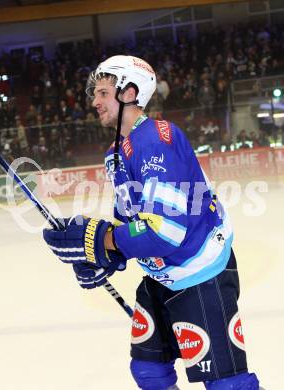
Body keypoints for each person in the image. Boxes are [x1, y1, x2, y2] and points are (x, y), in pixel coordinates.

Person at [43, 56, 263, 390]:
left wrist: (100, 239)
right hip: (163, 275)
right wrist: (103, 255)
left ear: (129, 92)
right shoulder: (115, 154)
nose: (94, 102)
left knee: (227, 386)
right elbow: (134, 224)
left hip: (199, 272)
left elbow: (166, 231)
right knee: (149, 372)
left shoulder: (158, 139)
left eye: (102, 93)